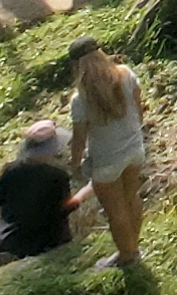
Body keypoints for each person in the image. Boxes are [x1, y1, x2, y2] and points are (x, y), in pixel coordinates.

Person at [62, 38, 148, 267]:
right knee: (132, 199)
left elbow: (80, 138)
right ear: (101, 53)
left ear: (77, 66)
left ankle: (127, 255)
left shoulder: (80, 99)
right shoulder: (126, 74)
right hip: (135, 149)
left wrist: (75, 163)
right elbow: (140, 110)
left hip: (106, 161)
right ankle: (134, 247)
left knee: (116, 211)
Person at [0, 121, 77, 263]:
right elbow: (63, 210)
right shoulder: (57, 176)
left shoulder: (11, 170)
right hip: (46, 242)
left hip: (10, 240)